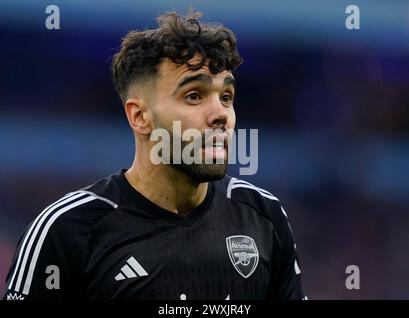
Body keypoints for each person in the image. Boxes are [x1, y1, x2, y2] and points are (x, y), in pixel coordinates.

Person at [3, 11, 306, 300]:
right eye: (194, 96)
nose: (220, 115)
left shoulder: (263, 216)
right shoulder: (67, 230)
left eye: (226, 97)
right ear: (139, 117)